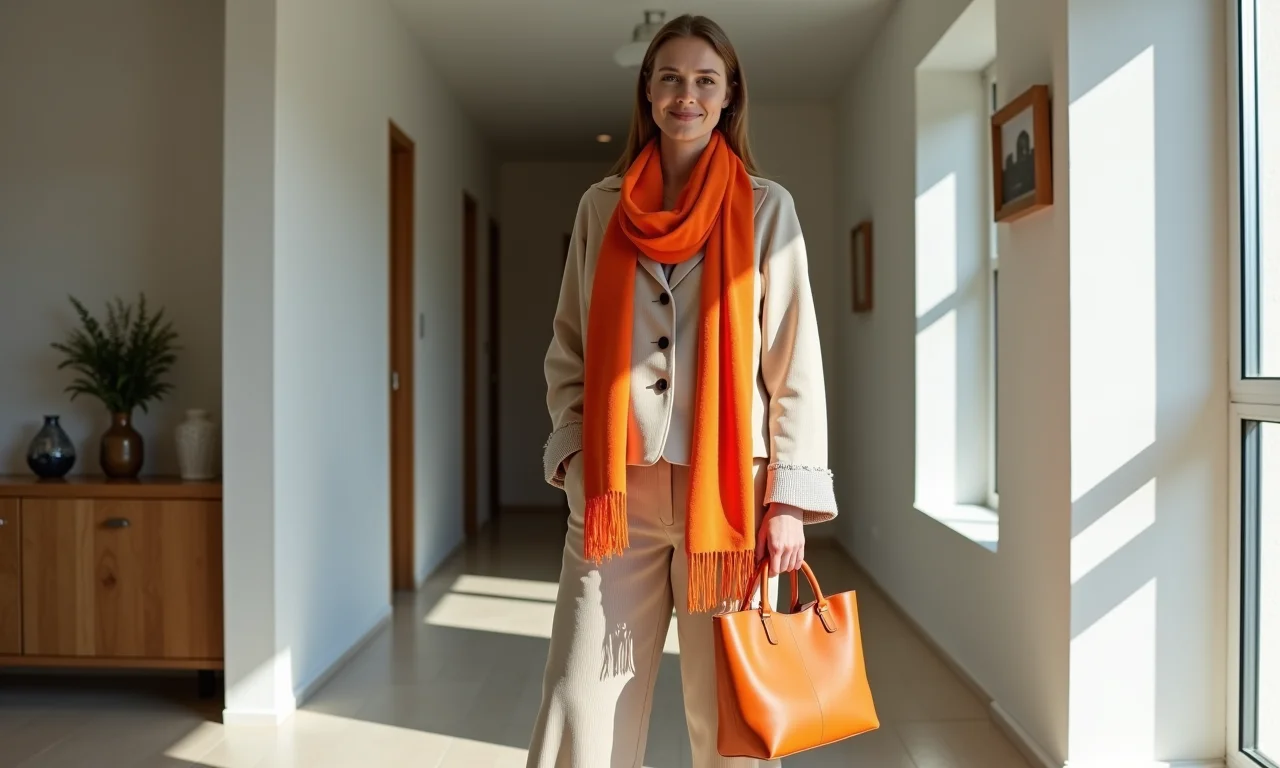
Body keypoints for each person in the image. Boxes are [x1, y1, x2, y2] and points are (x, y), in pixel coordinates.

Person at [527, 13, 837, 768]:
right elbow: (569, 342)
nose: (686, 95)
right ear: (648, 92)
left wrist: (789, 499)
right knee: (578, 708)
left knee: (732, 720)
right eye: (671, 78)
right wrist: (572, 455)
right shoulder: (601, 208)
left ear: (729, 96)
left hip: (729, 497)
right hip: (613, 503)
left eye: (705, 80)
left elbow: (792, 363)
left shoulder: (768, 209)